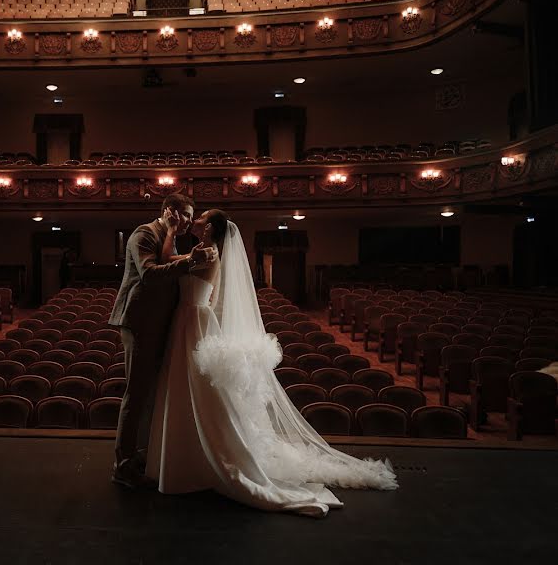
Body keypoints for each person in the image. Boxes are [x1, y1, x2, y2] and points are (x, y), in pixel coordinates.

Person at [146, 209, 397, 517]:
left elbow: (164, 260)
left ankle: (209, 455)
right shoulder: (206, 250)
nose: (195, 220)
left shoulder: (206, 251)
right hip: (193, 317)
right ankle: (191, 451)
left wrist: (169, 231)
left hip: (193, 320)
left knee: (200, 391)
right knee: (190, 389)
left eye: (201, 219)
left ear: (210, 228)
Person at [108, 194, 217, 489]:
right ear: (170, 212)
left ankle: (143, 455)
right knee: (137, 392)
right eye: (185, 216)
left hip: (161, 323)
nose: (188, 223)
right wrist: (187, 258)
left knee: (153, 393)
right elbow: (150, 275)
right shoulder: (144, 233)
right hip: (140, 322)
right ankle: (123, 465)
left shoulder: (173, 238)